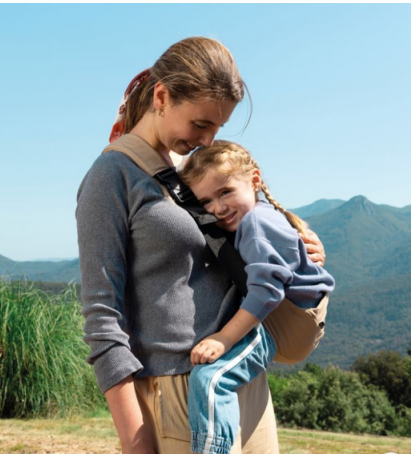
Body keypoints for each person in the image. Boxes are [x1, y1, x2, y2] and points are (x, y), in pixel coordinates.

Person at [76, 36, 327, 454]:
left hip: (240, 376)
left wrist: (301, 245)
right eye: (200, 124)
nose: (209, 140)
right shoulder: (111, 175)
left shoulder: (190, 173)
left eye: (218, 128)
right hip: (179, 391)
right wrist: (136, 440)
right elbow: (103, 317)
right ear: (161, 97)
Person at [178, 140, 335, 453]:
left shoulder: (256, 222)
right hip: (290, 319)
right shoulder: (261, 215)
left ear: (254, 180)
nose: (217, 208)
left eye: (225, 192)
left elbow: (267, 290)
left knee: (210, 380)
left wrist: (224, 338)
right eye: (206, 201)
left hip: (283, 322)